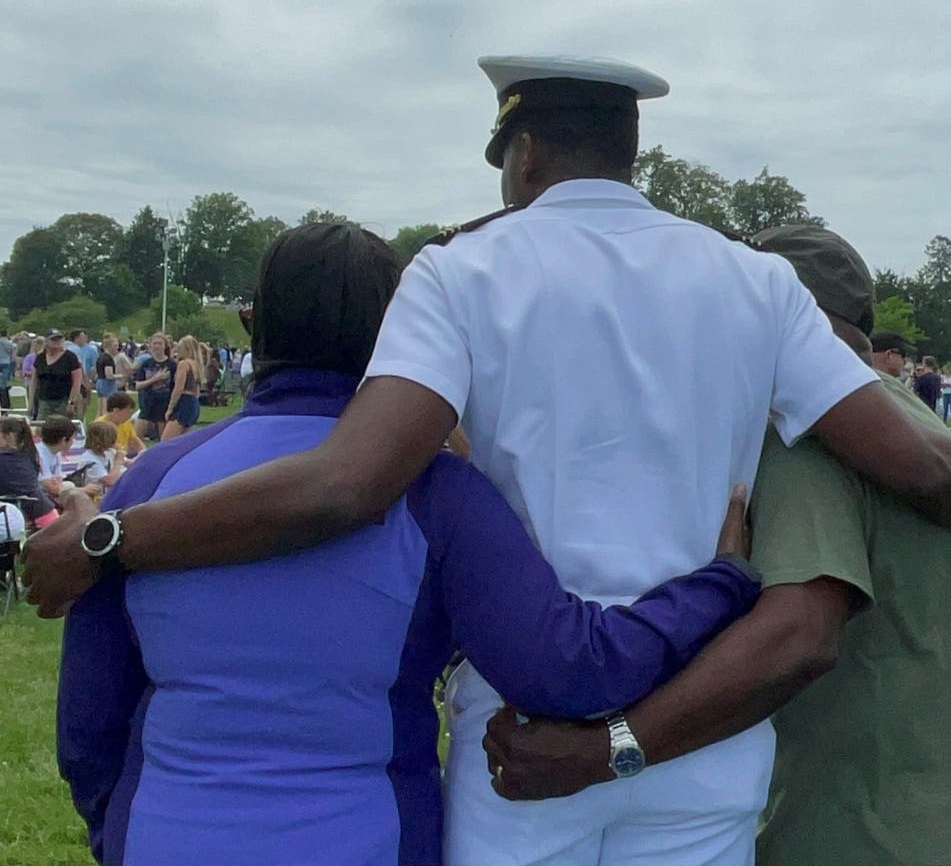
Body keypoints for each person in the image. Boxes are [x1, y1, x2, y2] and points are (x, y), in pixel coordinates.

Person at [27, 56, 951, 866]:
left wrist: (110, 536)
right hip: (702, 735)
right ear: (633, 151)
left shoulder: (461, 274)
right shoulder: (755, 281)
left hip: (523, 740)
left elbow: (348, 482)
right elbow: (923, 467)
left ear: (526, 151)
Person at [56, 221, 762, 866]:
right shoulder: (436, 492)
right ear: (405, 329)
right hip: (366, 834)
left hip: (164, 832)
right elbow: (568, 668)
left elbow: (88, 723)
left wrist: (116, 825)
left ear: (255, 322)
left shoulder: (148, 481)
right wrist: (719, 582)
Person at [480, 226, 951, 866]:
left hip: (868, 831)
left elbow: (798, 637)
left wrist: (605, 752)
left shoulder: (805, 431)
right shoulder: (912, 420)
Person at [0, 417, 59, 529]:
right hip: (46, 513)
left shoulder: (5, 459)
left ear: (9, 436)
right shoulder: (25, 454)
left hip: (32, 519)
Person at [131, 333, 175, 442]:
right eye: (154, 343)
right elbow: (138, 385)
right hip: (147, 404)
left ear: (165, 346)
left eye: (159, 343)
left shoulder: (172, 365)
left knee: (163, 440)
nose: (156, 346)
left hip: (163, 405)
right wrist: (155, 379)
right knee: (136, 438)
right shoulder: (146, 364)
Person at [31, 329, 82, 420]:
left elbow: (77, 382)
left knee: (63, 428)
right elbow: (34, 381)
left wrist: (71, 402)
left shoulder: (70, 357)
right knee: (41, 428)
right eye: (53, 339)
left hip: (64, 400)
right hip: (44, 400)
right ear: (47, 341)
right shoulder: (40, 357)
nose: (57, 342)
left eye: (59, 339)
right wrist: (31, 402)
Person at [162, 335, 204, 440]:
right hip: (193, 402)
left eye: (180, 348)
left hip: (183, 401)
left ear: (187, 349)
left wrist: (170, 408)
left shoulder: (184, 364)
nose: (177, 350)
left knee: (165, 441)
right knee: (183, 440)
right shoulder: (197, 365)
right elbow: (198, 389)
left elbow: (178, 388)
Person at [75, 421, 124, 494]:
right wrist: (118, 462)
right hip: (94, 498)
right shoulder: (90, 460)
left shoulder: (109, 452)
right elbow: (110, 481)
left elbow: (130, 463)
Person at [35, 415, 77, 499]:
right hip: (39, 497)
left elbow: (58, 481)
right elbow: (51, 488)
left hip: (49, 494)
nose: (73, 441)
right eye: (72, 438)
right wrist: (83, 490)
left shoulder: (55, 452)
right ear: (63, 440)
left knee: (69, 486)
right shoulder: (39, 455)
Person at [95, 392, 147, 459]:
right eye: (128, 413)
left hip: (122, 457)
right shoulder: (100, 426)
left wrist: (144, 452)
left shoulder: (126, 423)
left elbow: (135, 440)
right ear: (116, 410)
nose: (130, 416)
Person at [94, 336, 120, 417]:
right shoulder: (108, 359)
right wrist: (120, 376)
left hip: (99, 382)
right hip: (107, 384)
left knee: (100, 407)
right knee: (107, 407)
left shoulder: (100, 357)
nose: (117, 348)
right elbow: (109, 375)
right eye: (115, 346)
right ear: (108, 346)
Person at [0, 328, 14, 408]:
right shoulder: (9, 343)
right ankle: (3, 387)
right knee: (4, 380)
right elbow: (11, 352)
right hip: (6, 361)